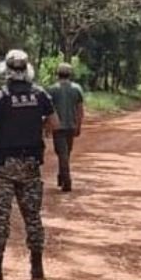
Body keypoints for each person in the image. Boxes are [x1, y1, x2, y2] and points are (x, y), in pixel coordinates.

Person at [0, 48, 59, 280]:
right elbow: (55, 124)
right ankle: (37, 267)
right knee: (32, 215)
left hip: (5, 165)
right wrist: (36, 129)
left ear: (7, 71)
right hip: (31, 164)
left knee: (1, 215)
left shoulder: (1, 98)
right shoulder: (40, 95)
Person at [48, 62, 85, 192]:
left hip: (57, 127)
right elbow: (80, 110)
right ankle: (62, 176)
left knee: (62, 153)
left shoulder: (52, 89)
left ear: (57, 74)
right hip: (71, 125)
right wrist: (79, 125)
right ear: (70, 74)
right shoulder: (77, 89)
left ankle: (66, 179)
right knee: (66, 152)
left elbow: (48, 110)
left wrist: (47, 126)